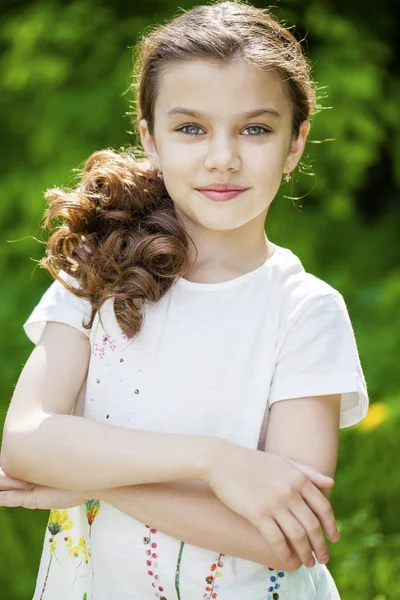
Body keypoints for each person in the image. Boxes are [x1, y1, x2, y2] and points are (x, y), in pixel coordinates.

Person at [0, 1, 369, 599]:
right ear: (150, 138)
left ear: (295, 143)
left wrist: (94, 481)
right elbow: (26, 440)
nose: (222, 157)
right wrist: (213, 460)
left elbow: (285, 540)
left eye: (255, 128)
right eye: (191, 127)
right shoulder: (98, 276)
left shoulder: (304, 310)